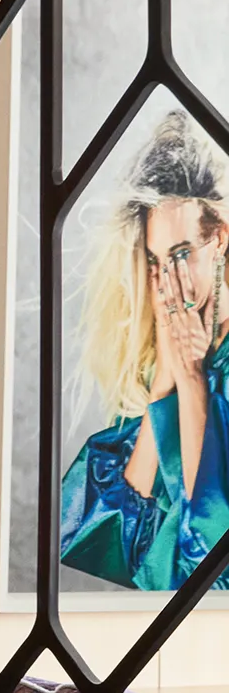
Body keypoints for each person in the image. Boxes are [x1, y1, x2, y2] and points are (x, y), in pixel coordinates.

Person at [58, 110, 229, 589]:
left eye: (180, 255)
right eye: (157, 260)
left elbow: (210, 560)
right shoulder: (160, 363)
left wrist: (194, 383)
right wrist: (165, 384)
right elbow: (117, 536)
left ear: (219, 238)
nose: (169, 278)